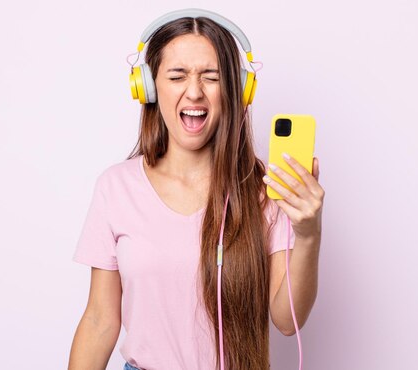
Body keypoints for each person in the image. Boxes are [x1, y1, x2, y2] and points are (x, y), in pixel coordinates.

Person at [68, 9, 324, 370]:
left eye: (212, 77)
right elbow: (99, 320)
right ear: (150, 87)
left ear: (237, 90)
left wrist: (309, 234)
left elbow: (286, 320)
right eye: (177, 76)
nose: (194, 92)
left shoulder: (264, 190)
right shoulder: (116, 187)